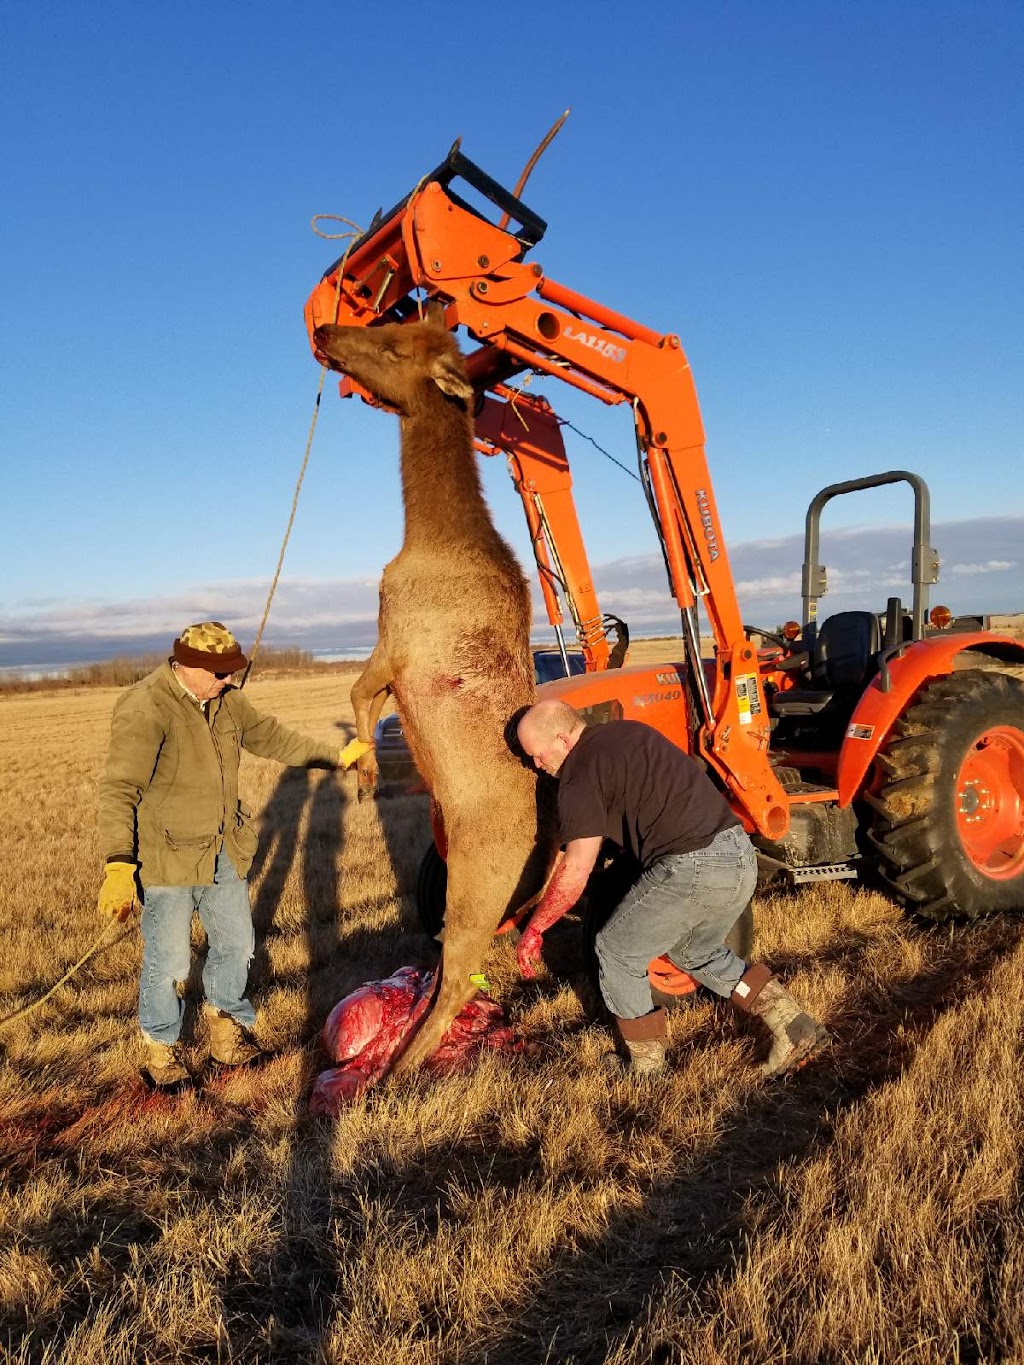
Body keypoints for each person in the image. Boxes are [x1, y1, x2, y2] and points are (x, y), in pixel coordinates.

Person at [97, 621, 369, 1089]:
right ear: (186, 664)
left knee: (237, 945)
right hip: (168, 857)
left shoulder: (226, 701)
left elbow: (273, 737)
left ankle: (227, 1035)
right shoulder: (146, 705)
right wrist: (120, 865)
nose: (227, 681)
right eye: (219, 673)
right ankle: (162, 1048)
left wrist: (336, 757)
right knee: (171, 960)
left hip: (224, 847)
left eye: (230, 673)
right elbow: (119, 789)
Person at [515, 699, 829, 1078]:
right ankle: (794, 1026)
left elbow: (577, 868)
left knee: (616, 950)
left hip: (692, 865)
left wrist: (535, 929)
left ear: (563, 740)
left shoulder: (578, 773)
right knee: (695, 952)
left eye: (537, 755)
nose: (537, 764)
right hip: (738, 855)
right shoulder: (629, 732)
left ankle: (645, 1068)